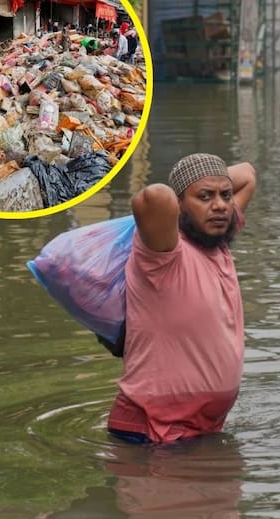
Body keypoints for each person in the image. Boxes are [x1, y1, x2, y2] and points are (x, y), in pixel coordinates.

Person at [107, 153, 257, 444]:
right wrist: (192, 178)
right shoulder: (163, 253)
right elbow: (154, 197)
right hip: (150, 436)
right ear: (178, 207)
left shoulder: (218, 241)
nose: (220, 206)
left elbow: (248, 173)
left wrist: (206, 179)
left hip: (201, 432)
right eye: (205, 196)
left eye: (226, 196)